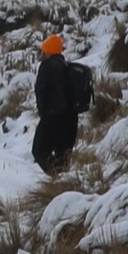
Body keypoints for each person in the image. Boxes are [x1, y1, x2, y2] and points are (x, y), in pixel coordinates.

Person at [32, 33, 78, 174]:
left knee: (39, 150)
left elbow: (41, 91)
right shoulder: (68, 68)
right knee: (62, 156)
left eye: (44, 49)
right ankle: (64, 185)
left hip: (53, 117)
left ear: (49, 51)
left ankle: (56, 177)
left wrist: (43, 113)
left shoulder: (47, 66)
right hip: (71, 119)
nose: (43, 52)